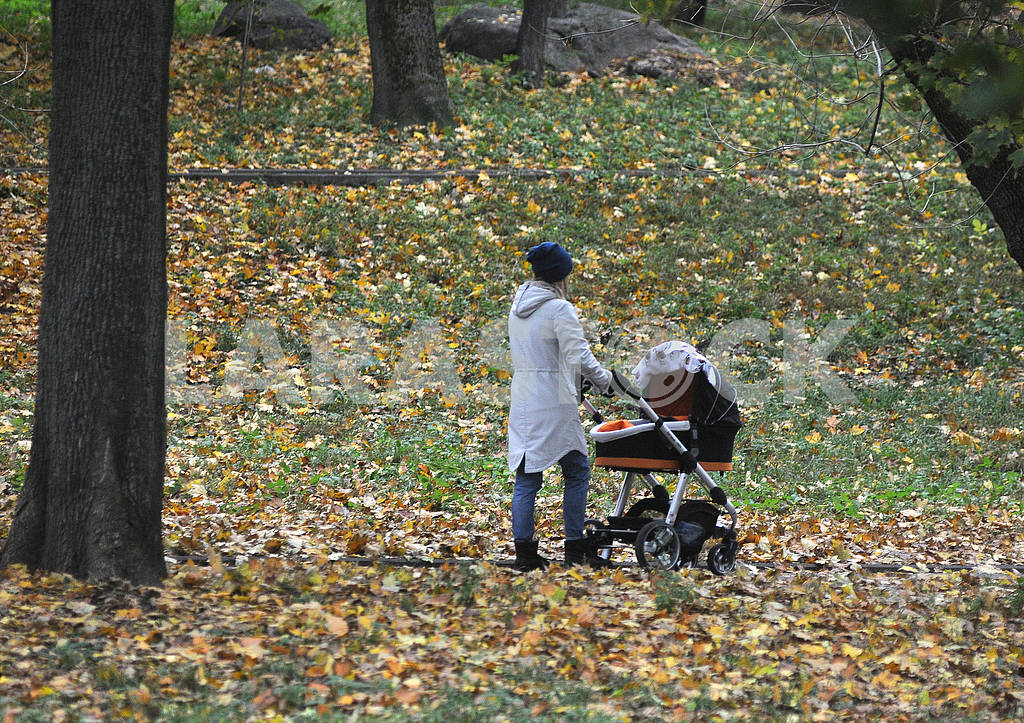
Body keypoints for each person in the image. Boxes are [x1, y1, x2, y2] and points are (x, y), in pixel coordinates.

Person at [507, 241, 613, 571]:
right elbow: (579, 356)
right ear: (560, 277)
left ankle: (524, 554)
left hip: (524, 396)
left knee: (527, 477)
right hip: (554, 400)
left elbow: (544, 354)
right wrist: (607, 382)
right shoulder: (558, 309)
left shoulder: (517, 306)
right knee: (577, 470)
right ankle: (575, 547)